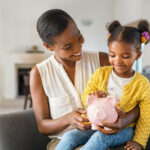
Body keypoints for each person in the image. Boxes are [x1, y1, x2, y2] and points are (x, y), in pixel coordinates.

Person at [30, 9, 139, 150]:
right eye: (68, 47)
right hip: (63, 141)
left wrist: (123, 122)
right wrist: (68, 119)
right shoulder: (39, 73)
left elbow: (138, 100)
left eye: (79, 36)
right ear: (49, 46)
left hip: (106, 135)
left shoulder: (103, 60)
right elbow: (43, 126)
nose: (78, 47)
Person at [55, 20, 150, 150]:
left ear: (137, 55)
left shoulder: (142, 84)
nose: (118, 61)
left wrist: (139, 142)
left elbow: (146, 115)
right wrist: (92, 96)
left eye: (126, 56)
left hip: (126, 129)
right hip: (97, 123)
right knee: (69, 136)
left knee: (99, 138)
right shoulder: (101, 73)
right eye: (112, 55)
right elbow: (85, 97)